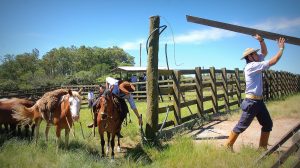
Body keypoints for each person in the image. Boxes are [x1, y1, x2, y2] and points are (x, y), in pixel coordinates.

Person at [225, 34, 285, 151]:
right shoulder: (251, 66)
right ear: (250, 57)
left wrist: (261, 40)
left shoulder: (256, 62)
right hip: (251, 102)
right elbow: (274, 61)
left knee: (267, 124)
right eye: (255, 54)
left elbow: (265, 52)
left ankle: (262, 149)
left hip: (259, 102)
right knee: (241, 126)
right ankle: (228, 146)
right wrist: (281, 48)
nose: (258, 55)